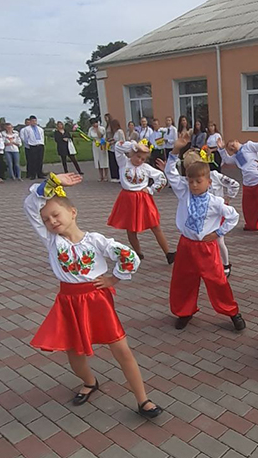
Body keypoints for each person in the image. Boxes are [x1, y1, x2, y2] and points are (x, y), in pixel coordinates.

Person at [23, 172, 163, 418]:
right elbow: (30, 205)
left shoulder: (96, 240)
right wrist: (53, 183)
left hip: (96, 299)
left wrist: (114, 278)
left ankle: (143, 399)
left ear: (73, 212)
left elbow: (128, 256)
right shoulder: (51, 240)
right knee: (74, 352)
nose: (52, 221)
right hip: (68, 301)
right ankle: (89, 381)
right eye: (46, 219)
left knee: (121, 349)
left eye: (56, 215)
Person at [160, 132, 245, 331]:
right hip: (187, 245)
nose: (194, 185)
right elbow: (171, 173)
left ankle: (232, 312)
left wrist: (217, 233)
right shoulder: (184, 192)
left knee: (217, 281)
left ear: (209, 182)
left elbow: (233, 216)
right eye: (191, 181)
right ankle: (184, 311)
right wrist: (175, 150)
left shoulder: (215, 202)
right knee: (184, 281)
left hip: (207, 248)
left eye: (199, 181)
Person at [107, 140, 175, 264]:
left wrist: (151, 189)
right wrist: (134, 145)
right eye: (138, 157)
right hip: (128, 198)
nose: (139, 161)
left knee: (155, 225)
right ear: (132, 154)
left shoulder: (145, 168)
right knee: (131, 228)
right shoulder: (123, 162)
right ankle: (138, 252)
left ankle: (168, 253)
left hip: (143, 198)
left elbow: (161, 178)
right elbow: (117, 147)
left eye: (143, 159)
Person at [182, 149, 240, 278]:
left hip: (216, 212)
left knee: (219, 240)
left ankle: (225, 264)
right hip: (203, 214)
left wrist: (228, 198)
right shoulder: (191, 182)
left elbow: (234, 184)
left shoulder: (214, 175)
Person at [217, 138, 258, 233]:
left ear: (236, 141)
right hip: (247, 184)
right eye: (229, 149)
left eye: (232, 144)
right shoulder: (235, 157)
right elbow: (227, 160)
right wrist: (221, 149)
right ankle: (251, 225)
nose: (231, 148)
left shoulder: (248, 145)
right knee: (249, 207)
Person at [107, 117, 121, 183]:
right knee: (112, 162)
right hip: (113, 148)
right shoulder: (115, 132)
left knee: (116, 163)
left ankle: (118, 176)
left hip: (118, 149)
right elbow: (115, 139)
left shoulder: (120, 131)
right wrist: (111, 140)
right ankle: (114, 176)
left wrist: (113, 142)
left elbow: (121, 140)